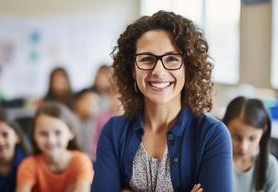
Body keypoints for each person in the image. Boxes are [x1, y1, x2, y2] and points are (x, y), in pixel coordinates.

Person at [91, 10, 232, 192]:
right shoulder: (113, 132)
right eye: (147, 59)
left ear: (187, 68)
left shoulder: (212, 135)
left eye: (172, 59)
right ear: (133, 70)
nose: (158, 71)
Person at [16, 102, 93, 192]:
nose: (51, 140)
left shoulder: (81, 161)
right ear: (34, 136)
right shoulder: (28, 165)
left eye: (58, 133)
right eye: (43, 134)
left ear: (71, 132)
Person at [223, 96, 278, 192]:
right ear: (224, 127)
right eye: (237, 137)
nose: (243, 147)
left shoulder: (271, 167)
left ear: (264, 131)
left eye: (252, 138)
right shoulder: (214, 160)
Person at [72, 88, 100, 157]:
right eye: (90, 102)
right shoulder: (68, 122)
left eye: (96, 103)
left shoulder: (92, 122)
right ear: (78, 102)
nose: (94, 106)